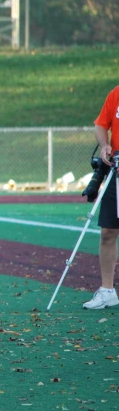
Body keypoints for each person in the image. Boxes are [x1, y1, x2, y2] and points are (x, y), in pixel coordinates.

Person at [83, 85, 119, 309]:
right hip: (117, 169)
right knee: (108, 231)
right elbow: (100, 125)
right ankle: (107, 290)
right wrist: (105, 145)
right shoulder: (116, 93)